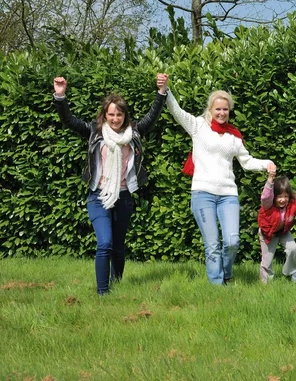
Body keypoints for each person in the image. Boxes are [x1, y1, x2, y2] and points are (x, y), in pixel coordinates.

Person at [53, 74, 169, 295]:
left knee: (117, 247)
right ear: (104, 115)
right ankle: (103, 292)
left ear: (125, 116)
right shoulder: (94, 132)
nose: (115, 118)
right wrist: (60, 96)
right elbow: (69, 120)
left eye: (119, 114)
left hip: (124, 197)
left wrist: (161, 92)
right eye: (111, 114)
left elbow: (152, 117)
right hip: (99, 196)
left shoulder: (133, 133)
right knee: (104, 243)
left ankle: (116, 285)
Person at [165, 88, 276, 285]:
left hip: (228, 195)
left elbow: (247, 162)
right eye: (218, 109)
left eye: (225, 109)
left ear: (229, 110)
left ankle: (226, 272)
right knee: (212, 244)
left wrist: (266, 163)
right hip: (202, 194)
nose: (221, 113)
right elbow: (176, 110)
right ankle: (217, 286)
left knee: (232, 241)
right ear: (211, 109)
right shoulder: (198, 126)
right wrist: (165, 90)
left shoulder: (234, 136)